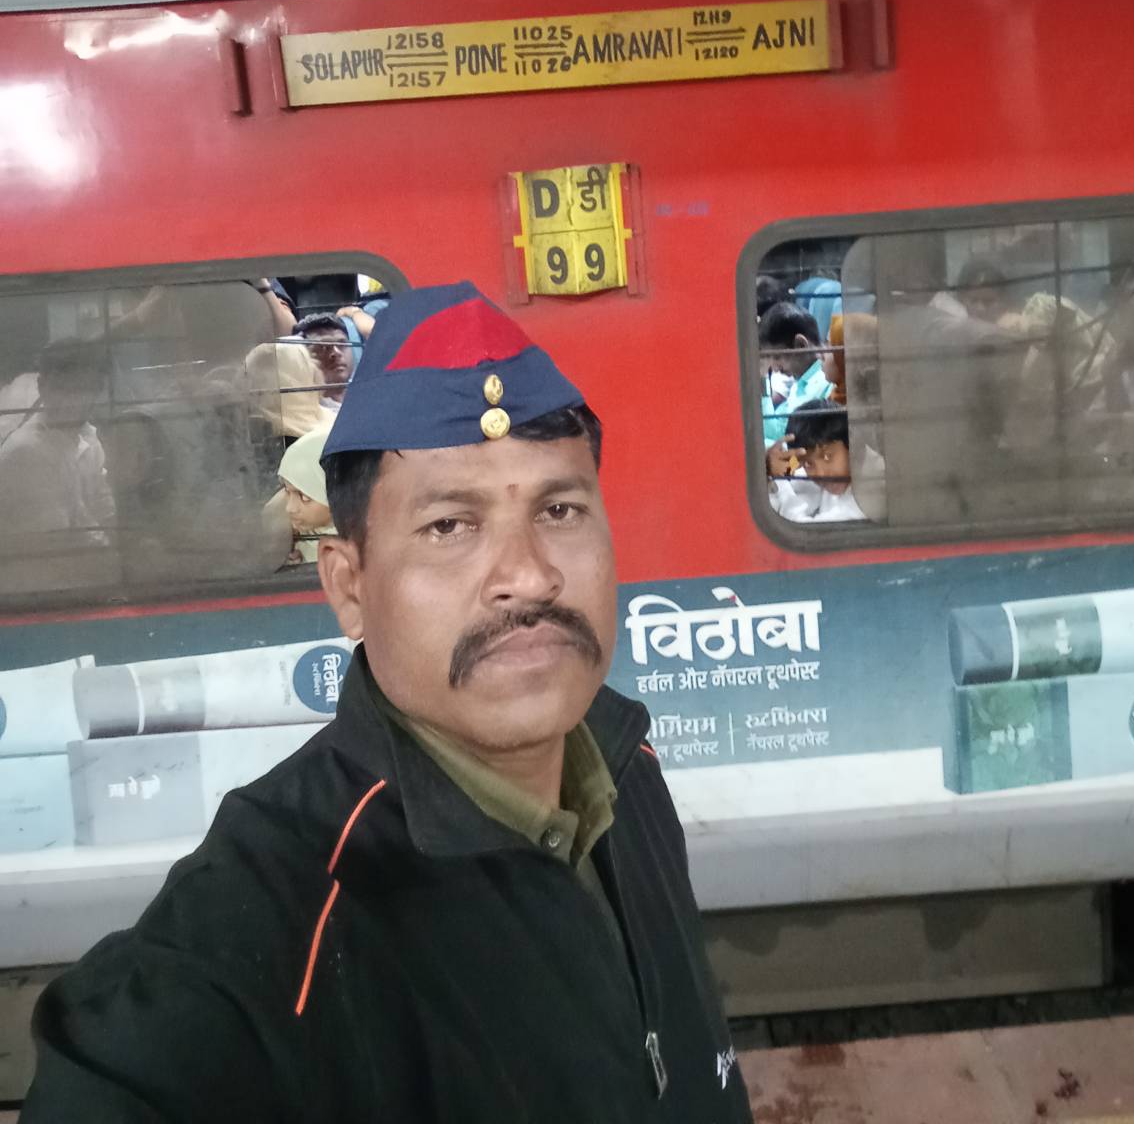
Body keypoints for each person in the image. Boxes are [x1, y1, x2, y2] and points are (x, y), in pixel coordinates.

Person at [23, 282, 751, 1123]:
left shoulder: (628, 767)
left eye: (559, 509)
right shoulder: (277, 914)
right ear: (349, 587)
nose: (529, 575)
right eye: (450, 526)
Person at [0, 340, 113, 545]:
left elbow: (106, 511)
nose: (71, 400)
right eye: (61, 388)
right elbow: (55, 546)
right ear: (41, 387)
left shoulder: (89, 438)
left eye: (82, 389)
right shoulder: (25, 453)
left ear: (97, 390)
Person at [768, 400, 868, 523]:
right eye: (808, 464)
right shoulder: (841, 476)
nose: (820, 473)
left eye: (827, 457)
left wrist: (780, 481)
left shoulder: (870, 491)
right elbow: (802, 485)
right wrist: (772, 470)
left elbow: (803, 528)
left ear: (852, 445)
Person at [758, 300, 833, 444]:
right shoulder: (800, 384)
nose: (775, 368)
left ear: (800, 345)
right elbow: (775, 431)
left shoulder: (824, 383)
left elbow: (790, 442)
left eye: (777, 357)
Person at [265, 420, 337, 564]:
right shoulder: (295, 532)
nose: (290, 508)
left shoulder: (361, 542)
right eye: (287, 492)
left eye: (304, 497)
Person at [294, 310, 358, 408]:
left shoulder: (369, 394)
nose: (336, 353)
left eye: (341, 344)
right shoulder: (304, 410)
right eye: (324, 347)